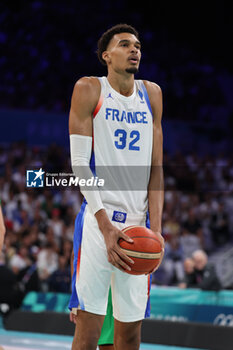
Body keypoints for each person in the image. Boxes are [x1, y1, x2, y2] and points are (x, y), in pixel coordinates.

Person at [68, 23, 164, 350]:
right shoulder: (89, 88)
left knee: (130, 336)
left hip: (139, 227)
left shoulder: (152, 94)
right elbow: (80, 163)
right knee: (88, 334)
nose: (134, 49)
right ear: (107, 56)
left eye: (137, 45)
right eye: (125, 44)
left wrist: (158, 230)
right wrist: (105, 225)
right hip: (100, 223)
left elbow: (157, 170)